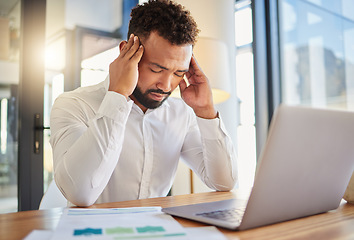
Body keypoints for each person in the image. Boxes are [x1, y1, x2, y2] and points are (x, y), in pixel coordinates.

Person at [50, 0, 237, 207]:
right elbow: (80, 194)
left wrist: (206, 111)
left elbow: (224, 182)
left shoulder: (181, 114)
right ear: (126, 52)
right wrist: (118, 95)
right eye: (156, 69)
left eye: (178, 73)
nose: (166, 86)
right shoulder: (73, 105)